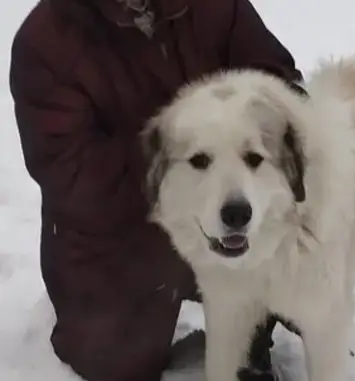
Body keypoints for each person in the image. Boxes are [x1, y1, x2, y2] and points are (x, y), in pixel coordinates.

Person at [9, 0, 303, 380]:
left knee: (296, 226)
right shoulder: (48, 41)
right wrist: (174, 158)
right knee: (112, 360)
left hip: (233, 199)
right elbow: (69, 171)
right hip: (120, 230)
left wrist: (285, 129)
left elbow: (275, 78)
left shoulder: (215, 8)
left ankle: (251, 325)